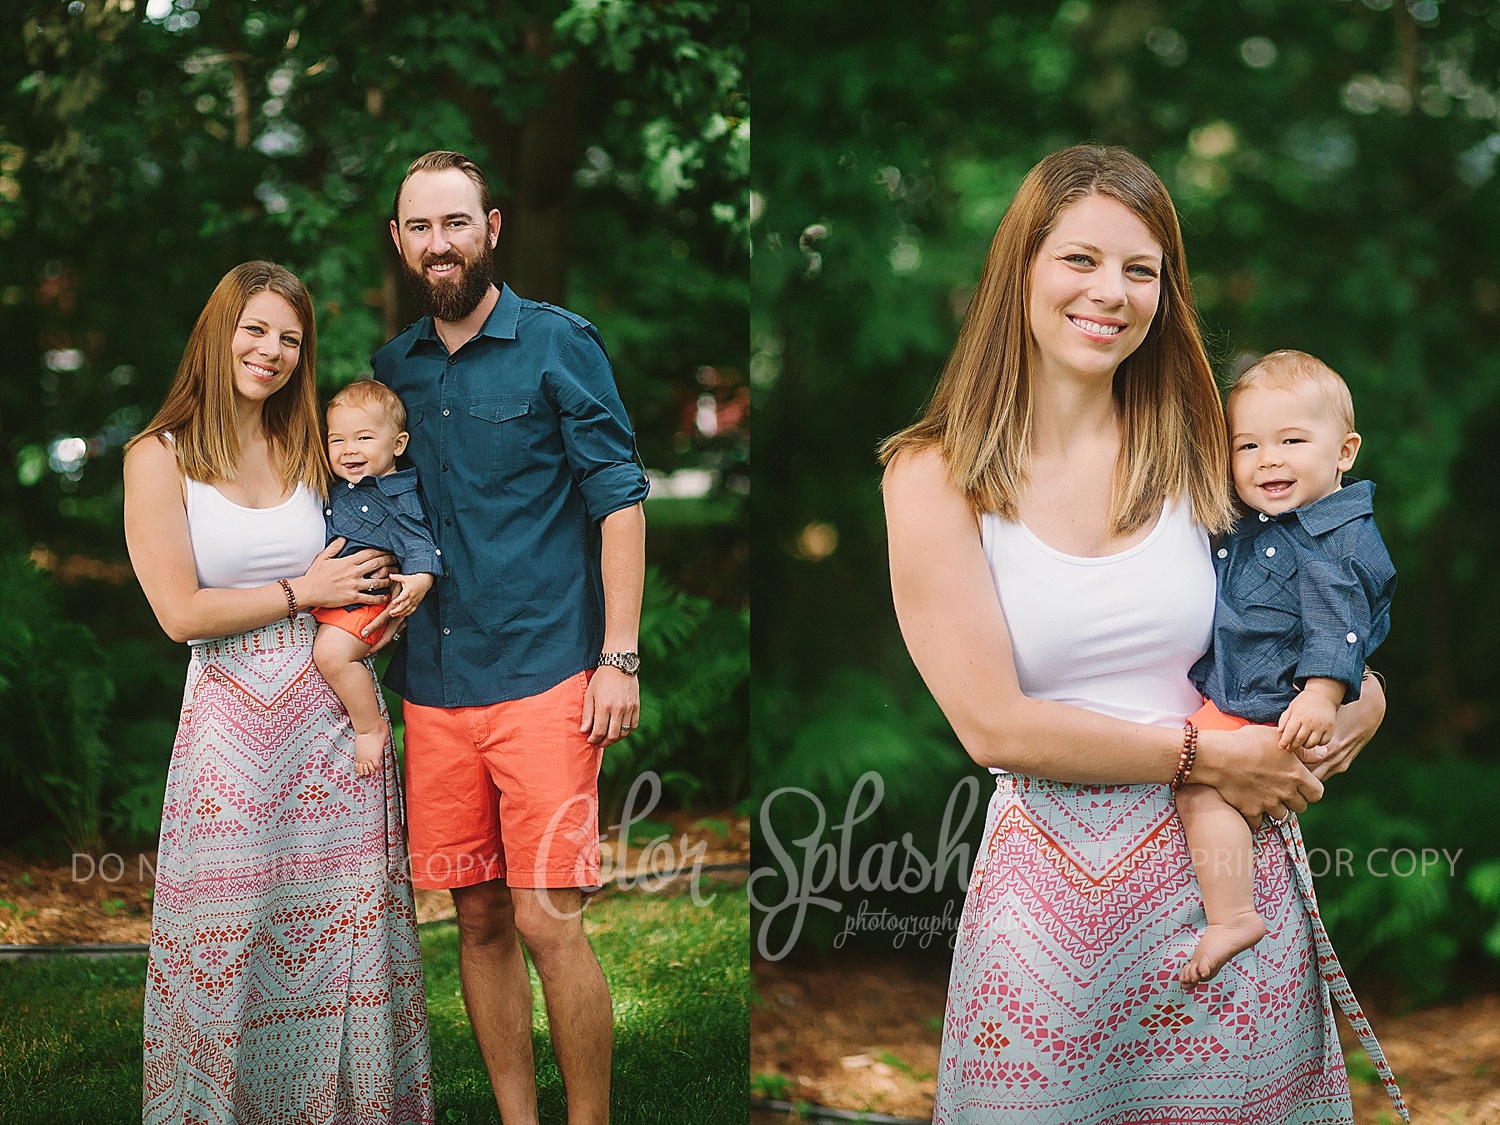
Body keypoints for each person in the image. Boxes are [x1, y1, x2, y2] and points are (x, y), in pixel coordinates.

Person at [880, 146, 1407, 1124]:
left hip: (1228, 897)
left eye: (1141, 269)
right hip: (1049, 905)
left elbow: (1329, 604)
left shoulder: (1211, 447)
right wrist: (1214, 756)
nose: (1110, 292)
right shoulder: (932, 476)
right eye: (1080, 259)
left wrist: (1361, 700)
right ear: (1021, 270)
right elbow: (995, 726)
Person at [365, 150, 648, 1125]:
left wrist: (619, 656)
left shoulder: (559, 344)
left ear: (492, 228)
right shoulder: (390, 372)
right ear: (400, 243)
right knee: (476, 917)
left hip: (546, 677)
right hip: (434, 686)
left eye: (455, 222)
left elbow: (619, 500)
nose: (438, 242)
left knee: (544, 916)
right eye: (419, 227)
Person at [123, 261, 434, 1124]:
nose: (272, 351)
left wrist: (394, 591)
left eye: (290, 338)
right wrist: (303, 588)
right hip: (228, 728)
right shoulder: (158, 457)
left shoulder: (310, 447)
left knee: (344, 934)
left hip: (335, 718)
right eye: (255, 329)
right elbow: (180, 612)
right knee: (230, 937)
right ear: (217, 333)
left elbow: (370, 542)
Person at [1177, 350, 1396, 985]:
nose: (1267, 459)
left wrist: (1325, 695)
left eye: (1292, 440)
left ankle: (1232, 916)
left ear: (1344, 452)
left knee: (1199, 789)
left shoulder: (1336, 535)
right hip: (1243, 691)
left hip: (1277, 705)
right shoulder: (1259, 521)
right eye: (1246, 446)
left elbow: (1340, 617)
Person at [312, 378, 442, 777]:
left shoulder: (396, 495)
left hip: (363, 600)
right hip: (329, 596)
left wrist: (419, 580)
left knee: (331, 655)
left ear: (398, 445)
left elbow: (420, 543)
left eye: (364, 438)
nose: (349, 450)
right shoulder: (341, 486)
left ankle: (369, 728)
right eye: (338, 441)